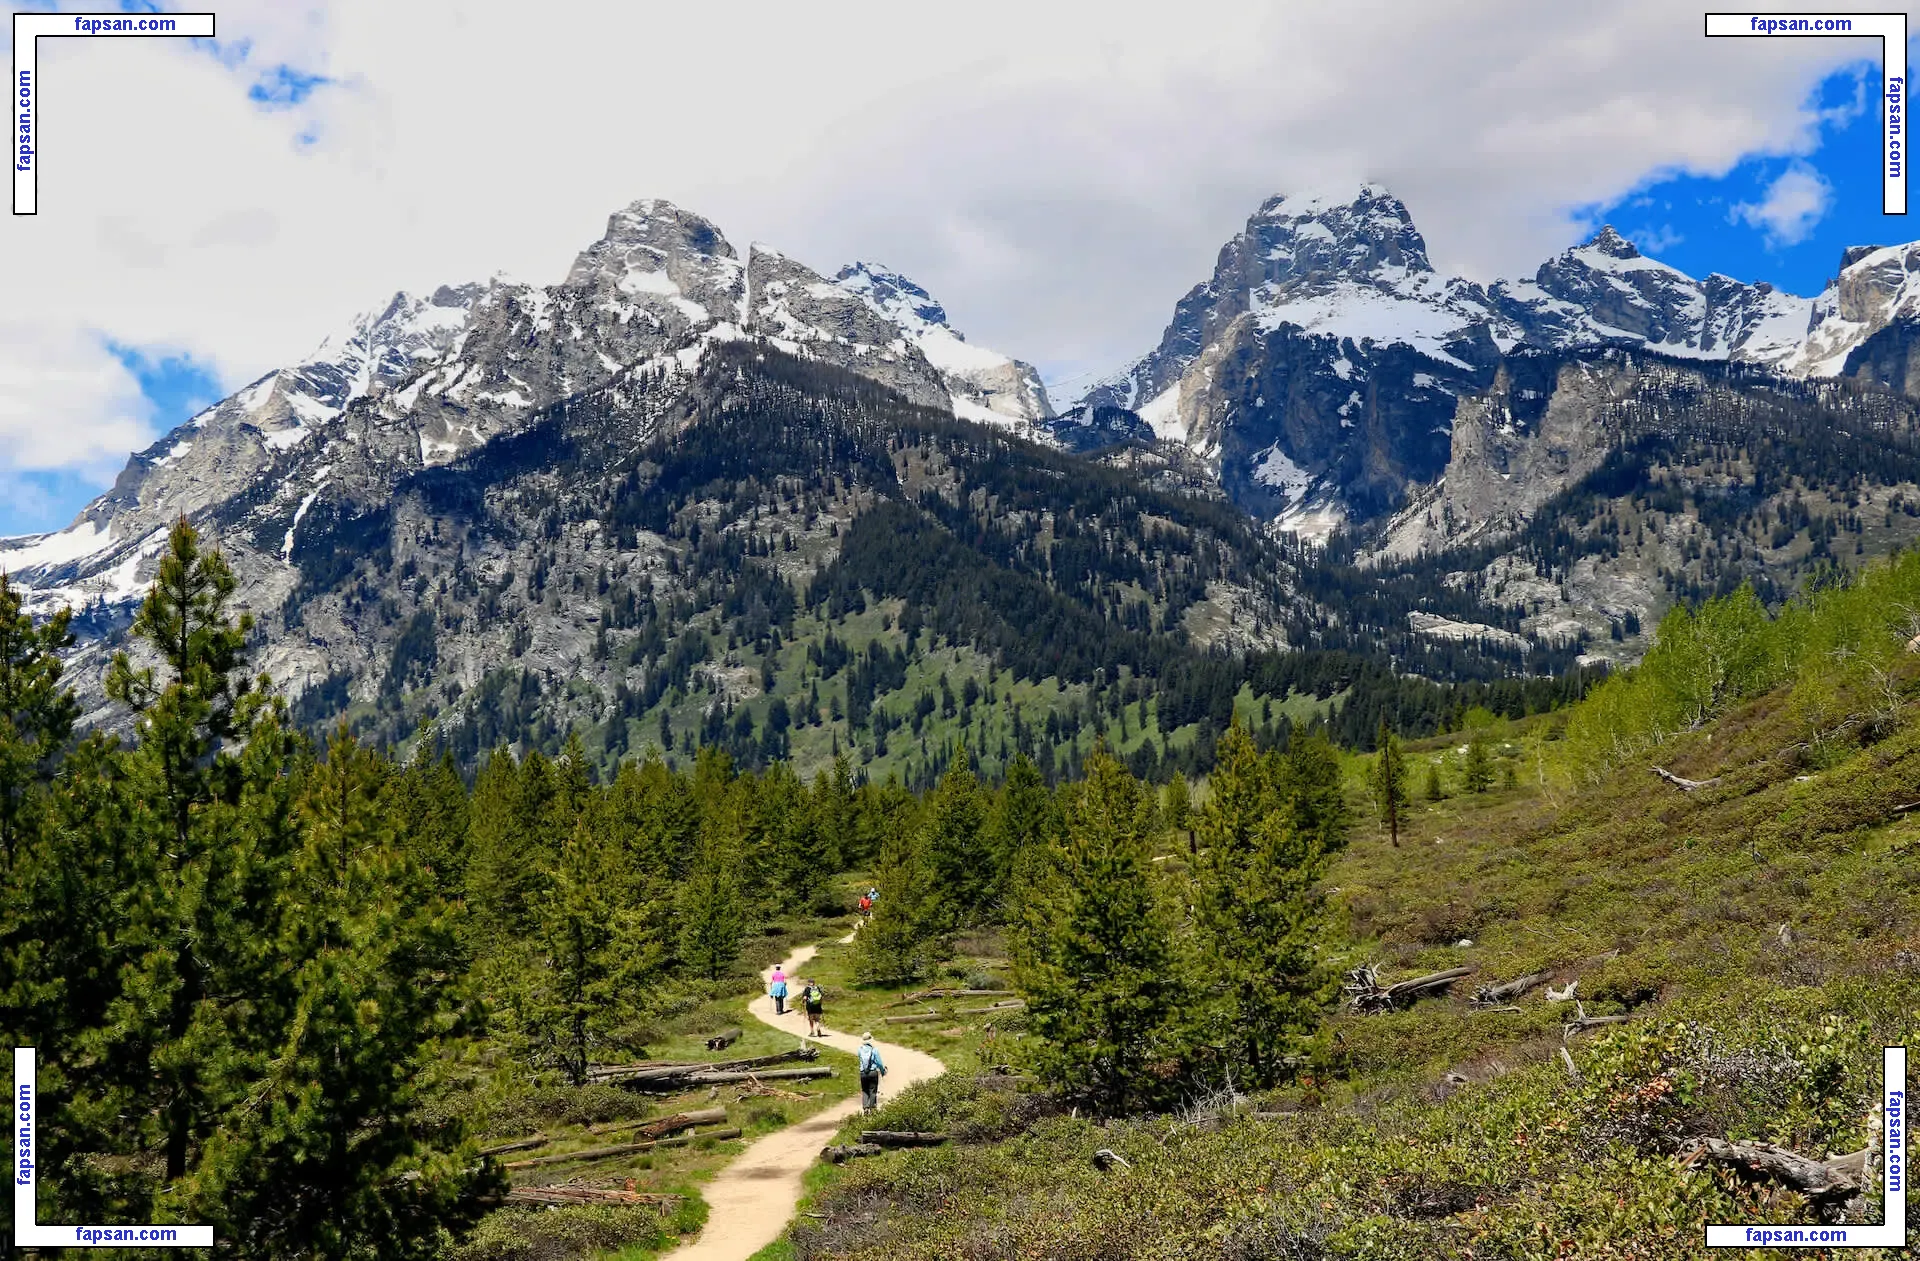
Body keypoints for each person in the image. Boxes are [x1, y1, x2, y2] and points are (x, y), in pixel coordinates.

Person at [857, 1033, 887, 1112]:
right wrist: (883, 1072)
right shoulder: (874, 1050)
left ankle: (865, 1108)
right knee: (873, 1091)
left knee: (864, 1090)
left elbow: (860, 1059)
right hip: (873, 1072)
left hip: (863, 1073)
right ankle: (872, 1109)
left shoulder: (860, 1050)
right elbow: (879, 1063)